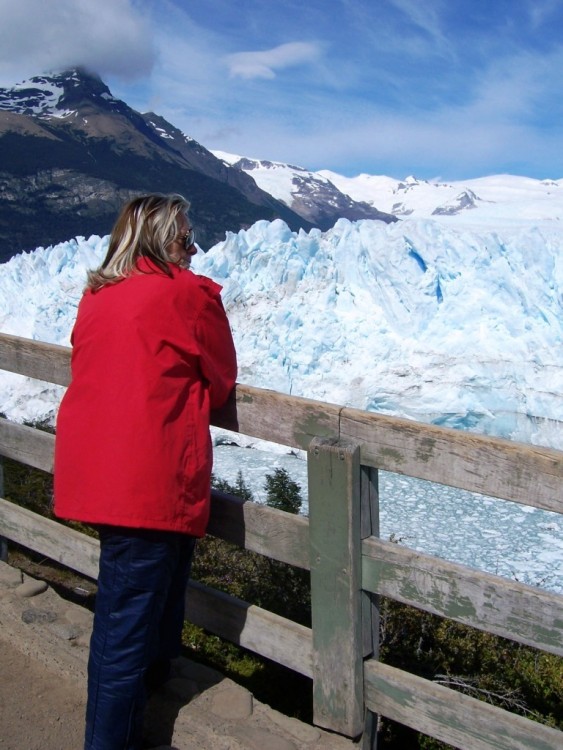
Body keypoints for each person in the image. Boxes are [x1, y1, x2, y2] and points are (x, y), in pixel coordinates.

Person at [53, 193, 237, 750]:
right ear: (161, 240)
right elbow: (222, 378)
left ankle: (145, 717)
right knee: (126, 625)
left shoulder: (96, 295)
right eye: (186, 238)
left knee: (143, 607)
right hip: (152, 479)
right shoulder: (187, 295)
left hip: (101, 469)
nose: (194, 247)